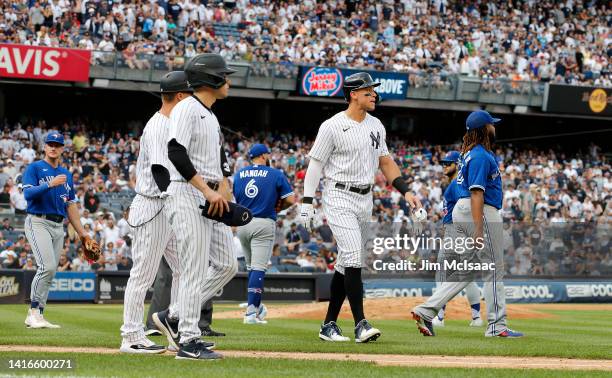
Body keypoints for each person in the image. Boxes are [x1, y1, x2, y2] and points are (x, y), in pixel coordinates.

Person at [298, 72, 422, 343]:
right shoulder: (332, 125)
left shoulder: (376, 125)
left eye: (373, 91)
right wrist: (308, 202)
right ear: (353, 94)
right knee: (354, 256)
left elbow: (386, 162)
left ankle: (328, 325)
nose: (374, 95)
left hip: (365, 199)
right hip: (338, 195)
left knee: (346, 263)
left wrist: (406, 191)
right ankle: (361, 324)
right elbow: (315, 165)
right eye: (368, 91)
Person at [154, 54, 239, 361]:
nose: (228, 80)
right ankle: (188, 340)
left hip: (210, 197)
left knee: (228, 264)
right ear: (212, 79)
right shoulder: (187, 108)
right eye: (224, 75)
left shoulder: (210, 114)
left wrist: (221, 195)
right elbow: (175, 151)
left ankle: (173, 315)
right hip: (188, 193)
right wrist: (206, 189)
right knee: (193, 268)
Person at [411, 110, 523, 338]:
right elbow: (477, 193)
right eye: (491, 125)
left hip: (464, 210)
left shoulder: (470, 153)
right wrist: (479, 229)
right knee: (493, 270)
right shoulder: (481, 155)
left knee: (468, 271)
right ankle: (497, 326)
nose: (494, 128)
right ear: (484, 129)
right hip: (479, 211)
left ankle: (426, 310)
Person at [119, 71, 192, 354]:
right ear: (181, 96)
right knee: (143, 276)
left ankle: (176, 327)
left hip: (164, 206)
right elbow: (161, 172)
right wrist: (177, 203)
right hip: (154, 205)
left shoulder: (170, 122)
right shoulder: (160, 126)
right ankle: (131, 336)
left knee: (185, 269)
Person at [22, 131, 91, 329]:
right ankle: (32, 312)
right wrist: (50, 184)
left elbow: (70, 206)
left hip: (58, 224)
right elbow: (27, 194)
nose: (53, 147)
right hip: (38, 221)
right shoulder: (35, 168)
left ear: (62, 149)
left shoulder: (66, 174)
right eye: (50, 144)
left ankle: (39, 314)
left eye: (57, 144)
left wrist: (83, 233)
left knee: (51, 271)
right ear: (44, 147)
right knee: (47, 266)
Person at [413, 151, 483, 328]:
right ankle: (476, 318)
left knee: (443, 273)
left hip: (456, 232)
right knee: (466, 277)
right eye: (443, 163)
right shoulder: (454, 184)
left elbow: (465, 206)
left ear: (457, 164)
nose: (444, 166)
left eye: (448, 163)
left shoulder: (457, 184)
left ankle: (440, 317)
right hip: (456, 231)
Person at [233, 143, 295, 324]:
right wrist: (278, 207)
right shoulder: (275, 173)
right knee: (259, 268)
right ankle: (251, 314)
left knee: (252, 268)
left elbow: (237, 198)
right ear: (264, 156)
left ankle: (257, 308)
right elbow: (290, 199)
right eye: (268, 154)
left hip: (243, 224)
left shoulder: (239, 174)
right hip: (263, 222)